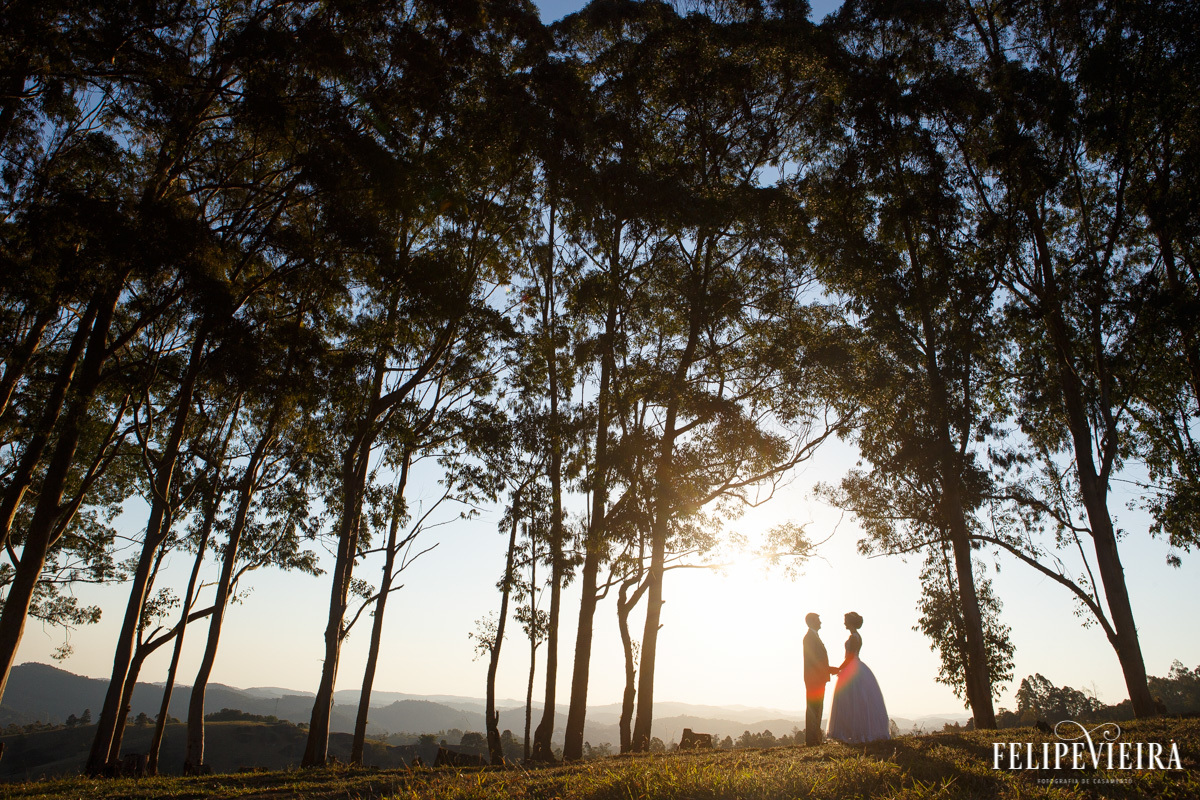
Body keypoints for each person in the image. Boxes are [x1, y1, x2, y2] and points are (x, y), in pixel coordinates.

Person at [826, 611, 890, 743]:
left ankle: (855, 732)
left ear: (850, 622)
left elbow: (850, 657)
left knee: (852, 701)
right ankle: (852, 731)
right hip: (855, 666)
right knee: (854, 701)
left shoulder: (854, 637)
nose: (844, 623)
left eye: (845, 620)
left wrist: (838, 668)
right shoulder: (855, 636)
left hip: (852, 668)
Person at [802, 612, 838, 746]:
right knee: (813, 708)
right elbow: (814, 660)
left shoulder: (814, 637)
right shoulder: (809, 638)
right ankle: (812, 740)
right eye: (818, 620)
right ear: (812, 622)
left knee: (817, 708)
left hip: (818, 677)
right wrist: (829, 669)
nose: (820, 622)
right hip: (814, 678)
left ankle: (816, 739)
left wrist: (829, 669)